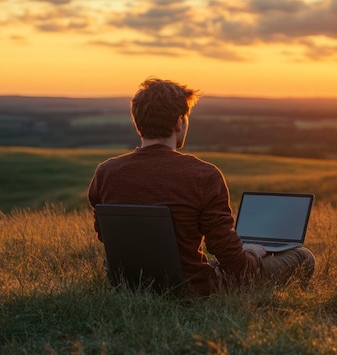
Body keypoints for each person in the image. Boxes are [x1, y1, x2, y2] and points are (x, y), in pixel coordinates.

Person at [88, 77, 315, 296]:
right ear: (179, 122)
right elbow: (229, 257)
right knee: (303, 257)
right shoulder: (203, 175)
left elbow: (105, 235)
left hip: (126, 284)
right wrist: (252, 254)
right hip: (192, 289)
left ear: (138, 122)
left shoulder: (106, 172)